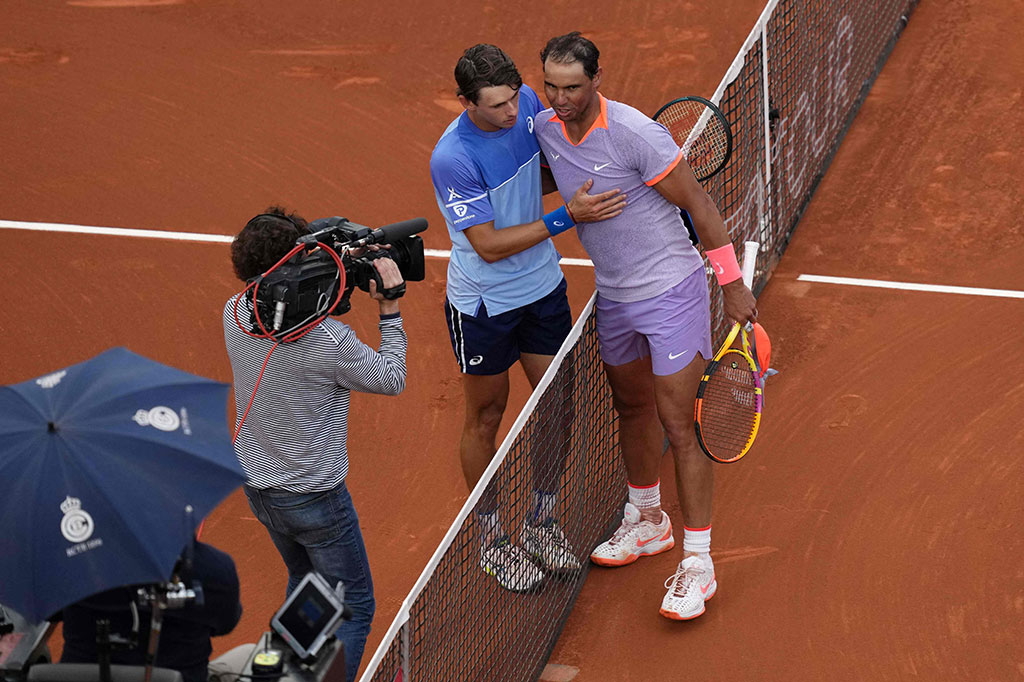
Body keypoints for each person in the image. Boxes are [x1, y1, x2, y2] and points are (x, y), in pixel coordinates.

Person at [533, 32, 758, 620]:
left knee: (679, 424)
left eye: (573, 87)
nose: (561, 98)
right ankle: (648, 519)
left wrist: (732, 285)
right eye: (551, 86)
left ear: (597, 79)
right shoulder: (545, 128)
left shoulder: (634, 134)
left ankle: (698, 562)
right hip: (615, 298)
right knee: (630, 408)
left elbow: (701, 207)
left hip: (671, 293)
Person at [429, 44, 626, 593]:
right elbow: (488, 245)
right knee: (486, 417)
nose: (513, 114)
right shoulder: (453, 157)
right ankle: (492, 539)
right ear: (466, 101)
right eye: (496, 106)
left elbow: (537, 175)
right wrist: (570, 214)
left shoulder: (529, 103)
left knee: (556, 404)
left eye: (515, 99)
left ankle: (540, 521)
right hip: (485, 305)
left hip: (541, 288)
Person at [222, 208, 407, 681]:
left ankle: (282, 674)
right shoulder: (328, 340)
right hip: (317, 501)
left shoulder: (236, 312)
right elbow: (391, 378)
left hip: (261, 491)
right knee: (353, 606)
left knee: (307, 589)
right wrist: (389, 309)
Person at [60, 541, 251, 682]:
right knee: (250, 654)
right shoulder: (215, 568)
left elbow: (49, 615)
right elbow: (227, 623)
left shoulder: (69, 563)